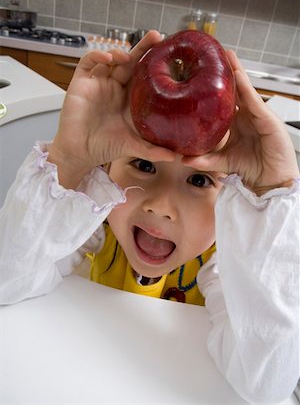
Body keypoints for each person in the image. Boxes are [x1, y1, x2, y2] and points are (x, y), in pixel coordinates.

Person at [0, 30, 299, 403]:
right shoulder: (94, 224)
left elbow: (266, 382)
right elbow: (7, 282)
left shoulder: (226, 266)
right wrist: (70, 159)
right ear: (108, 169)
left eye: (199, 179)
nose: (160, 207)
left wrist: (271, 198)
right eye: (143, 165)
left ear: (231, 201)